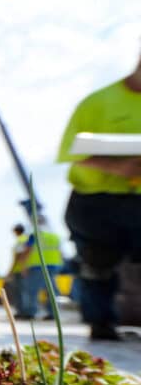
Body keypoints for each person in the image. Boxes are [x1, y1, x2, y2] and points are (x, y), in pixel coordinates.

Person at [57, 46, 141, 340]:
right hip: (96, 201)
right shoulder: (97, 103)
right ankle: (101, 324)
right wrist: (120, 168)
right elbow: (72, 149)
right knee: (97, 263)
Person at [14, 215, 64, 321]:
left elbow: (28, 250)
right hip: (53, 266)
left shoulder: (35, 235)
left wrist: (23, 266)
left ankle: (30, 312)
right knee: (51, 291)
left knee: (31, 290)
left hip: (38, 266)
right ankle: (52, 313)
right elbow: (60, 252)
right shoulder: (54, 236)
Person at [6, 224, 29, 317]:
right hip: (25, 269)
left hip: (20, 270)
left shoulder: (21, 240)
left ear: (16, 231)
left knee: (19, 292)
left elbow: (18, 257)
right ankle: (23, 311)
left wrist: (10, 271)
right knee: (24, 291)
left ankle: (21, 312)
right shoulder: (27, 239)